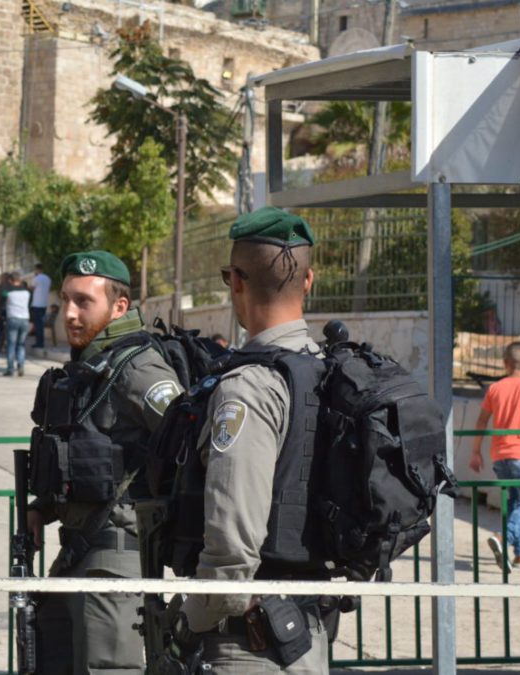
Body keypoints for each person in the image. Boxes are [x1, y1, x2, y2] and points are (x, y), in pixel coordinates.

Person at [181, 207, 329, 673]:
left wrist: (189, 619)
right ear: (308, 281)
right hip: (311, 629)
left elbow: (232, 546)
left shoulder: (247, 388)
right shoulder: (332, 371)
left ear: (237, 281)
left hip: (249, 642)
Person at [26, 250, 183, 674]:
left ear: (119, 307)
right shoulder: (91, 368)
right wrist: (43, 507)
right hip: (78, 553)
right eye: (66, 300)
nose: (70, 314)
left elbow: (190, 442)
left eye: (84, 302)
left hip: (116, 564)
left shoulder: (140, 371)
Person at [471, 341, 520, 571]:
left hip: (499, 456)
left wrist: (476, 451)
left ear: (505, 363)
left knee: (514, 502)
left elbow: (481, 421)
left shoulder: (495, 389)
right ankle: (502, 538)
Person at [0, 271, 31, 376]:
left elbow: (1, 304)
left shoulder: (7, 291)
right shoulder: (27, 292)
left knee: (11, 345)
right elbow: (29, 305)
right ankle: (21, 366)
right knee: (21, 345)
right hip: (25, 319)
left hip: (12, 319)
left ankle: (10, 369)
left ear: (10, 280)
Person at [29, 263, 52, 356]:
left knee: (38, 324)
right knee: (40, 324)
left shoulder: (36, 278)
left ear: (37, 269)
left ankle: (39, 343)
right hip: (44, 304)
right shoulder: (48, 278)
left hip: (37, 304)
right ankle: (40, 342)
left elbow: (32, 289)